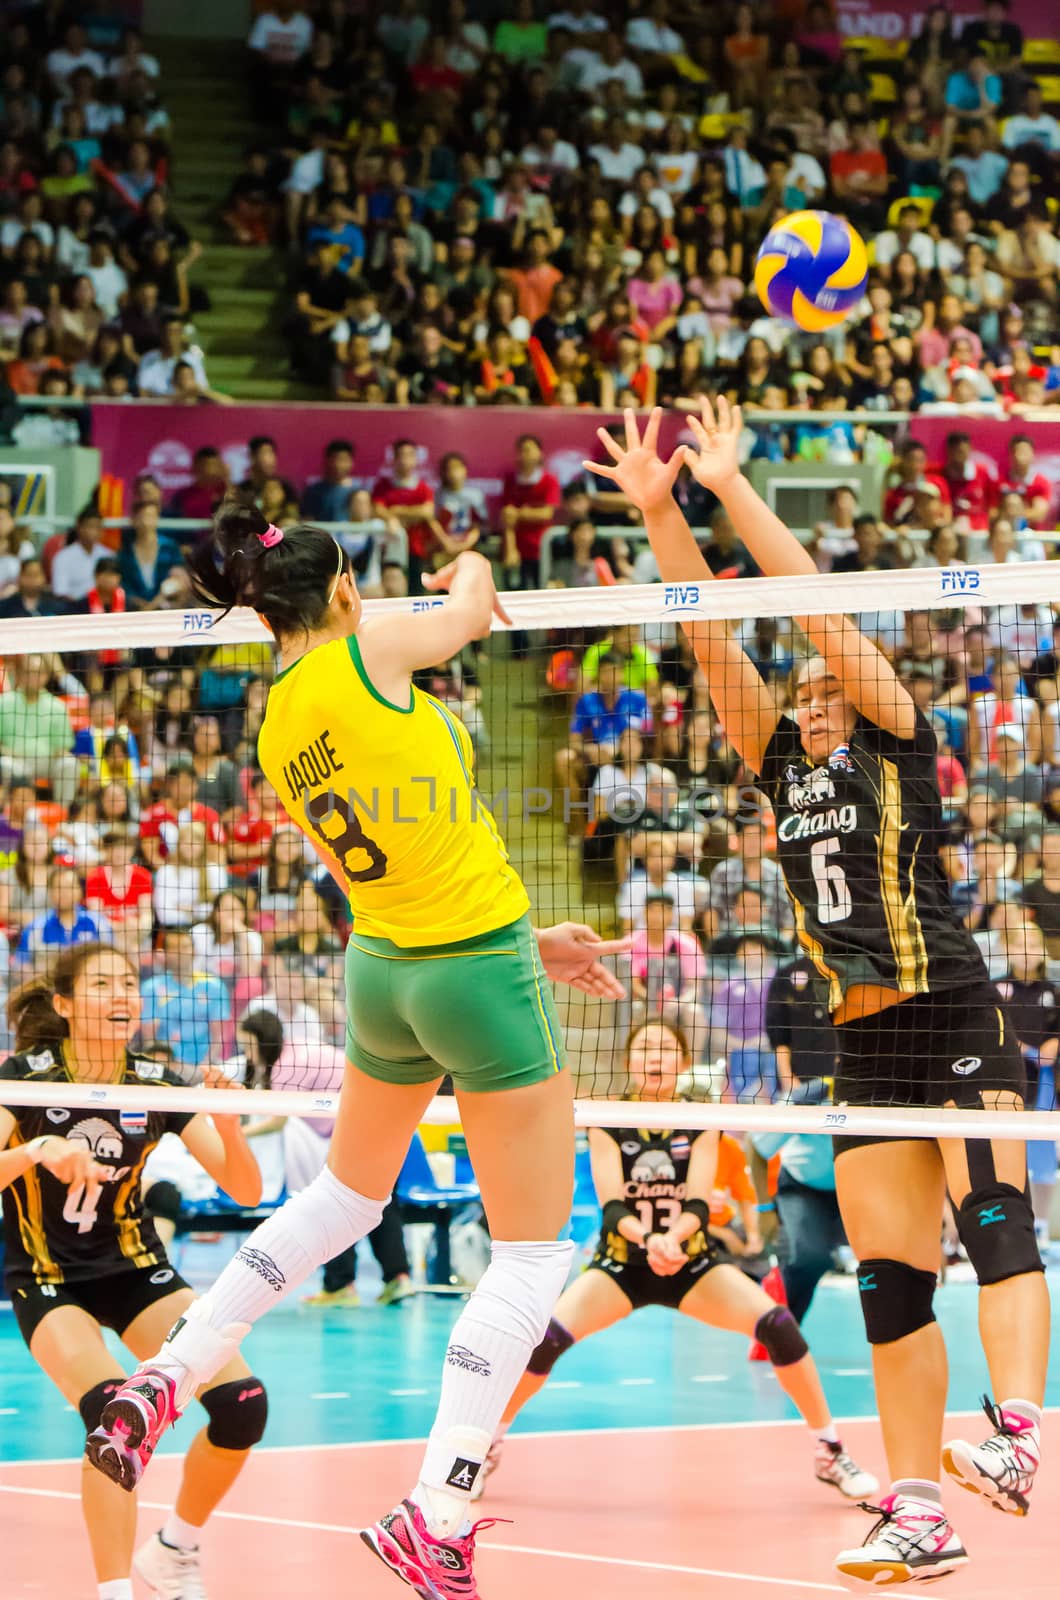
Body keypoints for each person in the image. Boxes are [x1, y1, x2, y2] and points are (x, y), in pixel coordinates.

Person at [86, 500, 631, 1600]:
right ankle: (439, 1510)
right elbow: (473, 603)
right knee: (532, 1254)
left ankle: (165, 1371)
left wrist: (536, 935)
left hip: (384, 971)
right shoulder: (367, 646)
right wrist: (469, 551)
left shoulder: (277, 716)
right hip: (474, 973)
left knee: (346, 1196)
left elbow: (416, 854)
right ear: (342, 593)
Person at [585, 402, 1049, 1587]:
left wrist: (731, 492)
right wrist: (655, 513)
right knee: (889, 1281)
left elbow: (810, 613)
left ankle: (1019, 1437)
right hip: (863, 1044)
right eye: (804, 694)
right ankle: (916, 1507)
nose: (815, 696)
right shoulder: (782, 762)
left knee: (995, 1227)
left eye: (826, 686)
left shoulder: (894, 731)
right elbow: (708, 641)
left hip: (946, 1002)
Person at [475, 1019, 876, 1501]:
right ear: (630, 1061)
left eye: (666, 1049)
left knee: (779, 1325)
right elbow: (613, 1206)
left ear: (683, 1062)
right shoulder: (608, 1116)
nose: (655, 1058)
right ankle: (484, 1446)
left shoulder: (700, 1116)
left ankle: (830, 1450)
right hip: (621, 1266)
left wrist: (674, 1241)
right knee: (545, 1340)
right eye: (645, 1049)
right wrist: (650, 1240)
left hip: (692, 1265)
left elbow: (699, 1204)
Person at [0, 943, 265, 1600]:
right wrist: (36, 1149)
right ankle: (114, 1592)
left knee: (241, 1407)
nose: (123, 995)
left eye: (130, 983)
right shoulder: (25, 1077)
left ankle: (175, 1549)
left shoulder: (156, 1082)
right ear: (63, 1005)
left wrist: (230, 1129)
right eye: (103, 985)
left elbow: (248, 1190)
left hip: (135, 1268)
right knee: (113, 1414)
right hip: (46, 1275)